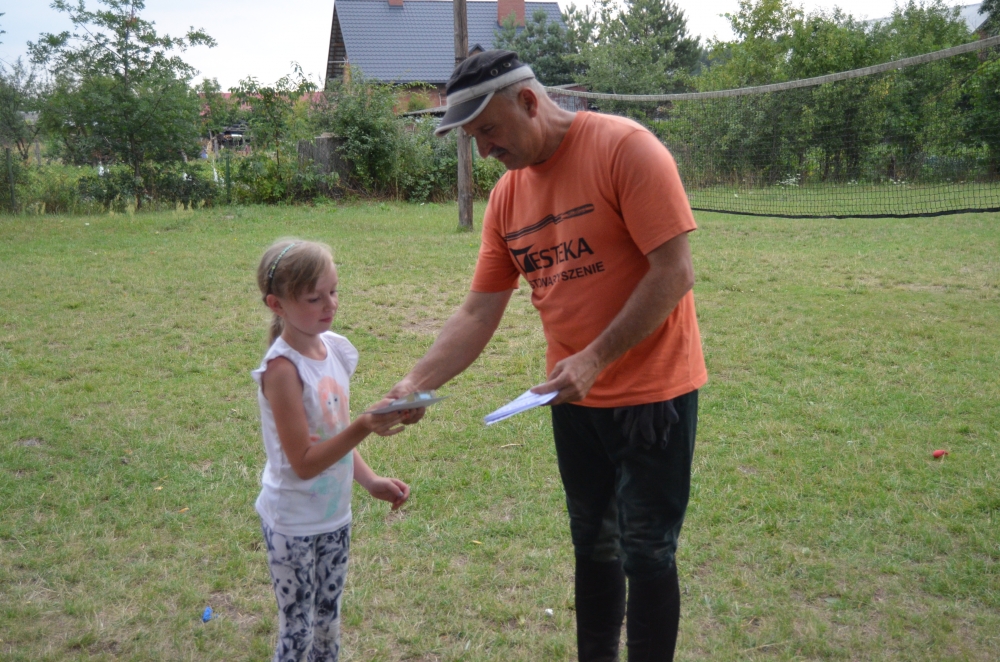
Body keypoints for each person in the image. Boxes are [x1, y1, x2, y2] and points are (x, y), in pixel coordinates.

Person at [390, 51, 707, 662]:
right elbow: (478, 312)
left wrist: (595, 357)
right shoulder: (508, 197)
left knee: (647, 552)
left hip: (653, 396)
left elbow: (674, 272)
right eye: (472, 136)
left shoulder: (626, 149)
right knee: (592, 545)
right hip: (572, 401)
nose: (484, 149)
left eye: (488, 129)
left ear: (530, 101)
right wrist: (414, 382)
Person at [252, 239, 412, 662]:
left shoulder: (334, 348)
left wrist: (370, 480)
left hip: (334, 518)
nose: (330, 304)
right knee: (298, 632)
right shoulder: (283, 370)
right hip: (293, 523)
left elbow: (332, 433)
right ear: (277, 304)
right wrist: (364, 425)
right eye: (314, 298)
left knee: (328, 623)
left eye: (334, 291)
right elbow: (304, 464)